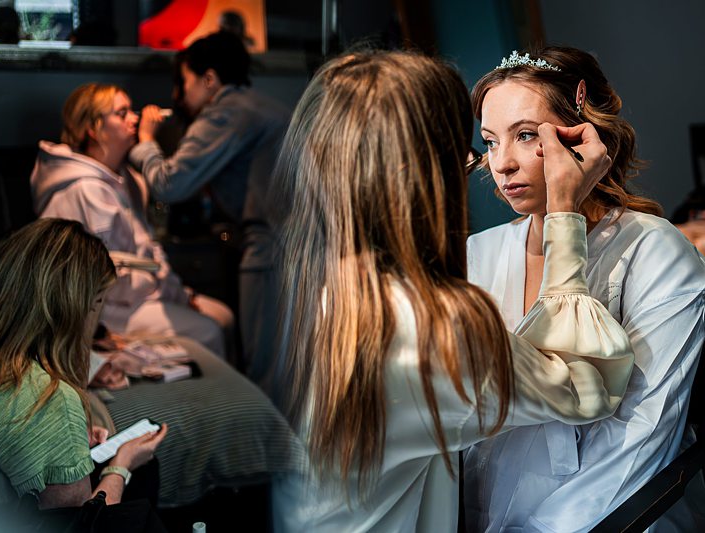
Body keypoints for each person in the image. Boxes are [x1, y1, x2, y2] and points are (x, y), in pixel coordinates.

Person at [270, 50, 635, 532]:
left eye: (526, 135)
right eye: (481, 145)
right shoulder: (435, 329)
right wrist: (563, 212)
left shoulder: (312, 288)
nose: (493, 163)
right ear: (421, 177)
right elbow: (586, 385)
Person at [463, 47, 705, 532]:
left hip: (616, 515)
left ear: (583, 133)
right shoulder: (478, 253)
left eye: (526, 135)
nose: (503, 163)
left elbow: (642, 435)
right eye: (491, 142)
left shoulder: (655, 250)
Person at [0, 218, 167, 510]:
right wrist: (121, 466)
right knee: (144, 473)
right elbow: (80, 524)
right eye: (100, 302)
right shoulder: (48, 400)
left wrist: (66, 440)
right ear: (81, 306)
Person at [131, 31, 290, 386]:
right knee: (289, 361)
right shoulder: (264, 106)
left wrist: (146, 143)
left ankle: (265, 423)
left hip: (272, 248)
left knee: (266, 366)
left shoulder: (225, 112)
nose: (179, 96)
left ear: (209, 79)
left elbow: (170, 184)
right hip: (298, 245)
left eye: (184, 82)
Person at [31, 83, 233, 357]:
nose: (135, 119)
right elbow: (104, 280)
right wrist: (159, 290)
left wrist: (178, 294)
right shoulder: (85, 190)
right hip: (104, 308)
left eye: (131, 111)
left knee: (224, 315)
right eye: (122, 113)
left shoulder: (128, 180)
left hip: (139, 294)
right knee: (209, 331)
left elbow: (150, 248)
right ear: (93, 128)